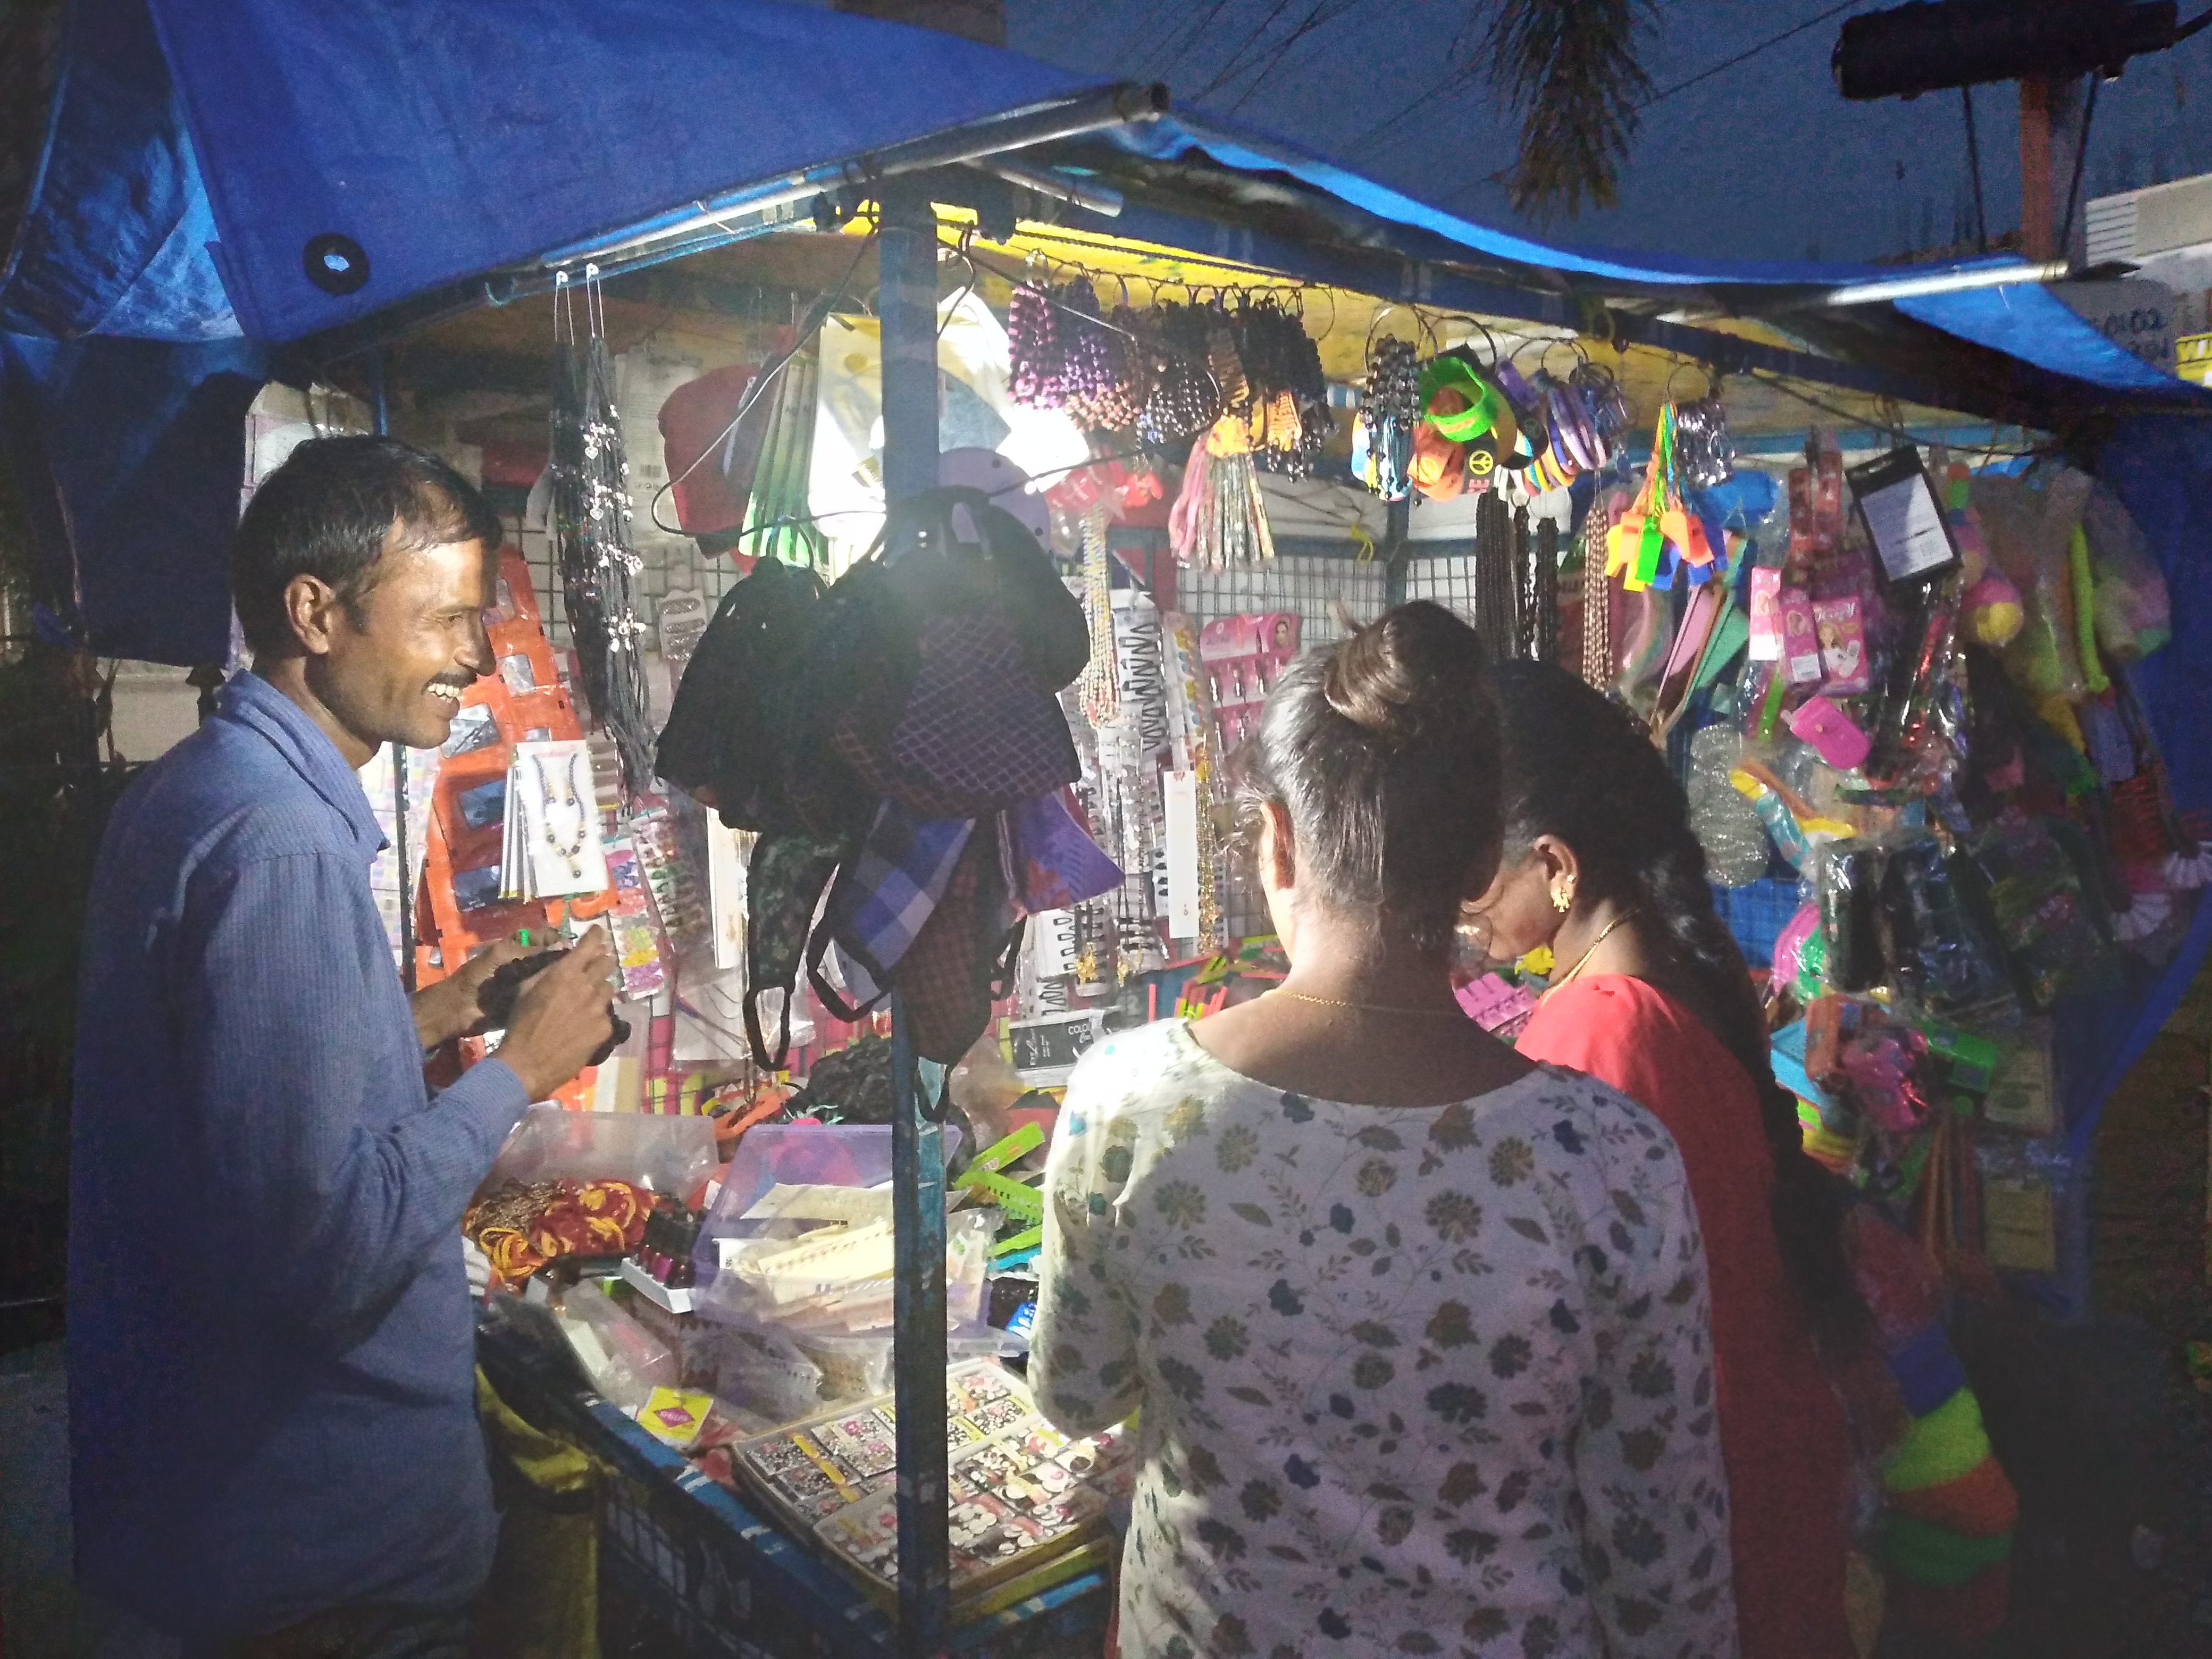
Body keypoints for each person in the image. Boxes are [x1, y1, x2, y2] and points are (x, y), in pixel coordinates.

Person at [1031, 603, 1738, 1659]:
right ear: (1472, 870)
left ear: (1276, 843)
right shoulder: (1611, 1158)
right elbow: (1664, 1565)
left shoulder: (1127, 1103)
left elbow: (1077, 1393)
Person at [70, 437, 618, 1657]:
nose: (474, 659)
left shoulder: (203, 787)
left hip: (227, 1509)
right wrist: (518, 1069)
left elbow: (218, 1092)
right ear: (316, 613)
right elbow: (331, 1246)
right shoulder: (283, 846)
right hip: (309, 1551)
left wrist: (427, 1016)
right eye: (449, 620)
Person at [1466, 659, 1862, 1659]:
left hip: (1700, 1528)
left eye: (1471, 877)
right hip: (1760, 1468)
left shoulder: (1597, 1037)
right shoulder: (1667, 968)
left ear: (1555, 865)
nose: (1456, 911)